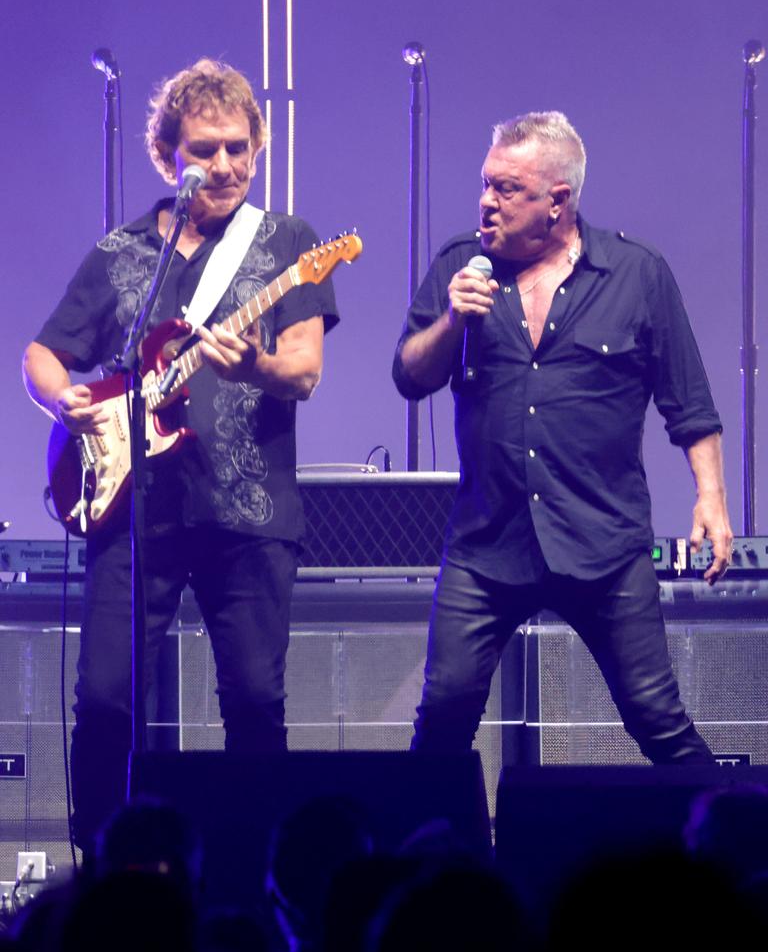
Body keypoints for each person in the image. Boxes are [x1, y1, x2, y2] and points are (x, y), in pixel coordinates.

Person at [22, 58, 339, 850]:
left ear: (258, 148)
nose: (225, 166)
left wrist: (250, 364)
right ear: (169, 156)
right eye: (205, 150)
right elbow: (41, 355)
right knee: (103, 703)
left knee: (257, 704)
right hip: (134, 514)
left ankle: (257, 877)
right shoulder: (123, 253)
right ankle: (104, 876)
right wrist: (73, 407)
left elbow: (302, 373)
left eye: (239, 147)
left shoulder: (289, 244)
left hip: (249, 512)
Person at [392, 111, 732, 763]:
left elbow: (689, 403)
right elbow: (410, 377)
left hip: (603, 544)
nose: (487, 202)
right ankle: (434, 862)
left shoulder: (638, 274)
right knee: (441, 723)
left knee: (658, 721)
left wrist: (709, 499)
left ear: (558, 201)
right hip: (486, 548)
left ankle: (731, 852)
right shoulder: (462, 265)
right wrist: (450, 323)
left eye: (507, 190)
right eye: (486, 184)